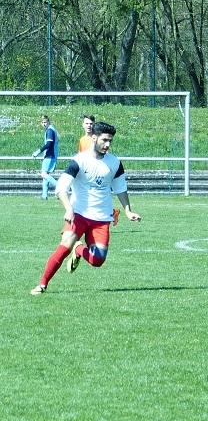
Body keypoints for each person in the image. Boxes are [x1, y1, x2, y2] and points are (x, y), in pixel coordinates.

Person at [30, 121, 141, 295]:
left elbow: (120, 188)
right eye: (105, 140)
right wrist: (68, 209)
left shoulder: (114, 163)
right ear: (94, 138)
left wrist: (127, 210)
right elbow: (61, 187)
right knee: (65, 245)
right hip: (79, 214)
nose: (108, 144)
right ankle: (42, 284)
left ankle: (79, 249)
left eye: (110, 141)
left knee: (98, 260)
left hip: (101, 218)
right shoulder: (79, 161)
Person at [31, 114, 59, 199]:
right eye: (42, 122)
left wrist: (38, 151)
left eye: (45, 122)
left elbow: (49, 144)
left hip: (50, 155)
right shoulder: (51, 129)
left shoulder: (50, 130)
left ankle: (60, 188)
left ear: (49, 122)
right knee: (45, 174)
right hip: (51, 154)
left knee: (43, 174)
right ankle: (44, 195)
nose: (44, 124)